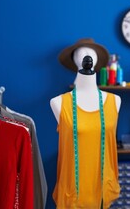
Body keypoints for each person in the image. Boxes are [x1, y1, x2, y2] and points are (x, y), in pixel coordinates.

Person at [50, 38, 121, 208]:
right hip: (72, 196)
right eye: (82, 54)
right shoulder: (59, 103)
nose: (87, 57)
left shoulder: (115, 101)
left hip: (104, 192)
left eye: (91, 54)